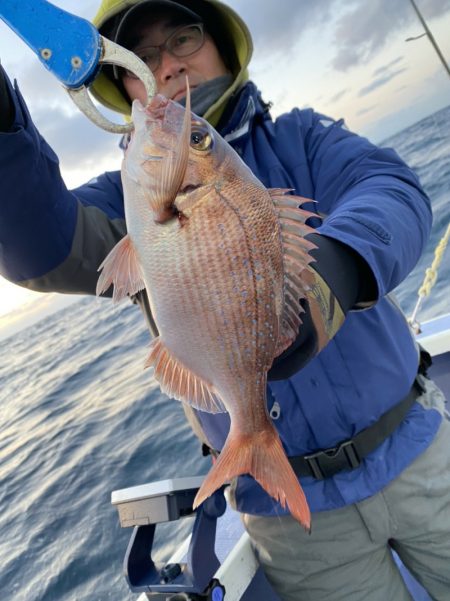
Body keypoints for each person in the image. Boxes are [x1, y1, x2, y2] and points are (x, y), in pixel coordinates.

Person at [1, 1, 449, 599]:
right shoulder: (124, 201)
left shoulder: (302, 136)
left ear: (220, 44)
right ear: (121, 84)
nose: (166, 68)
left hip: (421, 449)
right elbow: (40, 249)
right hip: (291, 519)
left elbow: (392, 189)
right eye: (142, 58)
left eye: (182, 38)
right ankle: (251, 438)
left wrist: (333, 278)